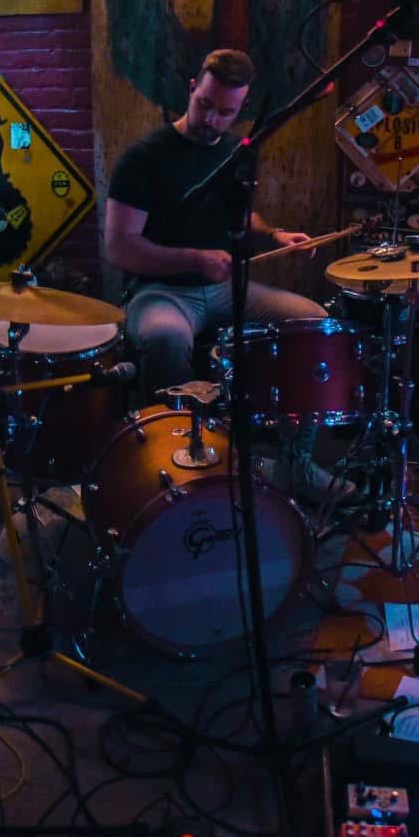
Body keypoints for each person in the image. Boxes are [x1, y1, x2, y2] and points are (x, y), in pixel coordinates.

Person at [104, 48, 344, 499]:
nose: (213, 119)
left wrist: (273, 236)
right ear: (192, 89)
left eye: (226, 112)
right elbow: (119, 248)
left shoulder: (239, 152)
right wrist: (194, 259)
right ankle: (166, 472)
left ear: (241, 109)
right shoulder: (144, 158)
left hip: (222, 289)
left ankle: (296, 464)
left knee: (311, 322)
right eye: (205, 106)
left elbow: (240, 223)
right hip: (160, 290)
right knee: (164, 338)